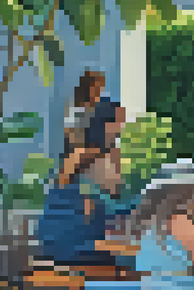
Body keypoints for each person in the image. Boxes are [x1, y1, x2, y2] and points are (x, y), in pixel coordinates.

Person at [39, 98, 129, 267]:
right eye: (119, 122)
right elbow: (114, 195)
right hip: (73, 241)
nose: (122, 128)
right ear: (106, 123)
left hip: (64, 238)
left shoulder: (92, 155)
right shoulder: (88, 156)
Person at [63, 71, 107, 155]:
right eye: (97, 89)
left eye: (100, 90)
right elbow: (70, 139)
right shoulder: (74, 108)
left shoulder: (94, 110)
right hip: (74, 154)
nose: (99, 94)